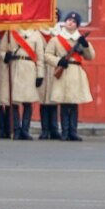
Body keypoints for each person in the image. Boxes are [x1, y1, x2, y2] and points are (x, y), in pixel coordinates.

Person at [45, 11, 95, 141]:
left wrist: (85, 46)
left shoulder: (81, 39)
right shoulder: (56, 39)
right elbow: (47, 55)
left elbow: (90, 56)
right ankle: (65, 131)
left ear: (77, 25)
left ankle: (73, 131)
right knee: (64, 103)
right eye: (68, 20)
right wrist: (58, 61)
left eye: (73, 21)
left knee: (74, 103)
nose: (70, 22)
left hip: (76, 72)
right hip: (63, 71)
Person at [0, 28, 45, 140]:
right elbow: (1, 50)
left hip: (29, 67)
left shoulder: (36, 34)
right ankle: (16, 129)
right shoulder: (10, 32)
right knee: (14, 102)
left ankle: (25, 130)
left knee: (28, 102)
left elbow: (40, 56)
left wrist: (40, 74)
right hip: (15, 66)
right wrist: (5, 56)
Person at [38, 9, 62, 140]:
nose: (54, 18)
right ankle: (44, 129)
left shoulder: (61, 34)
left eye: (56, 16)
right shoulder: (39, 32)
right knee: (43, 101)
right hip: (42, 67)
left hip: (55, 68)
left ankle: (54, 129)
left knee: (54, 100)